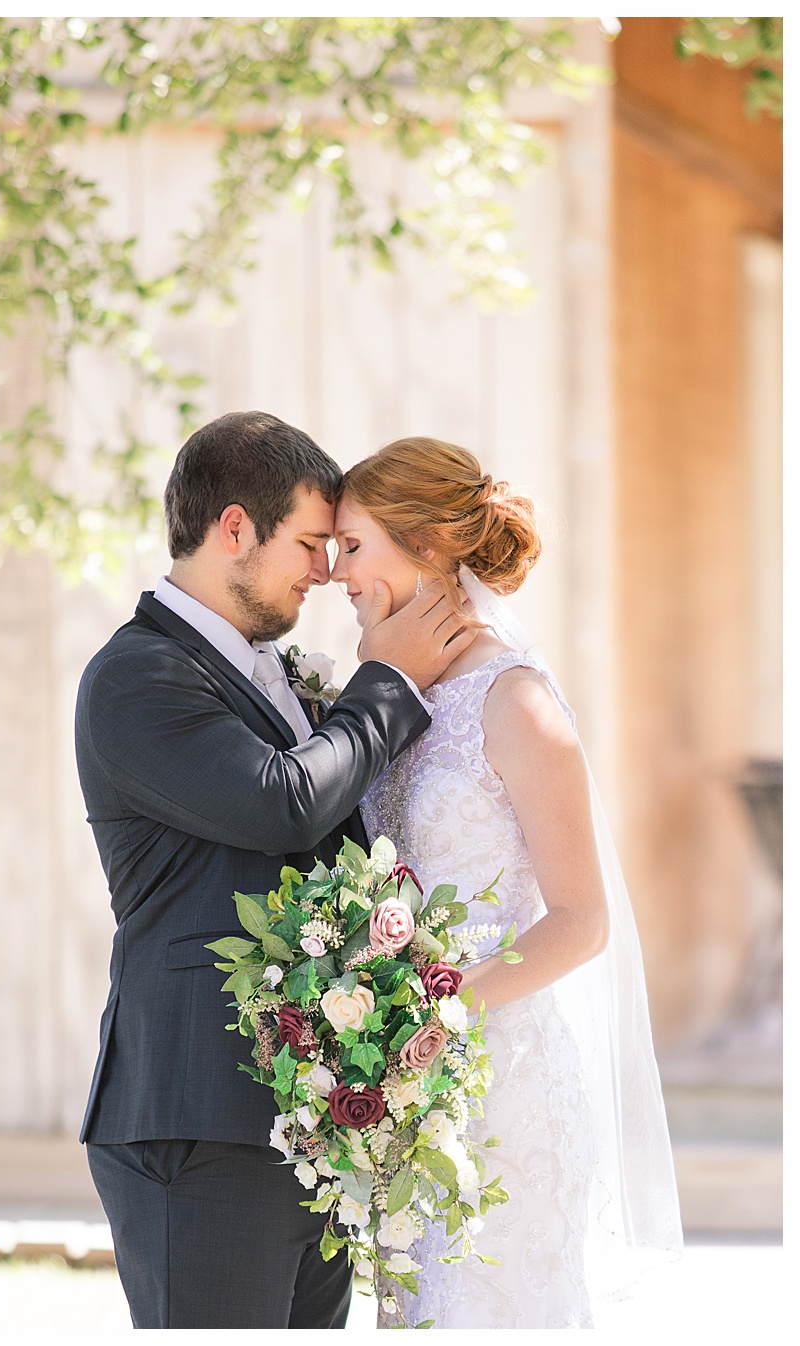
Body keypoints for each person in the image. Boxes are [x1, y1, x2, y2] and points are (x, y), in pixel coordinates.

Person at [72, 410, 475, 1327]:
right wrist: (392, 680)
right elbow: (281, 801)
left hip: (303, 1117)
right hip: (197, 1117)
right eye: (311, 542)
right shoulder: (136, 677)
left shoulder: (275, 674)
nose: (328, 571)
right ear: (235, 529)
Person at [334, 437, 682, 1327]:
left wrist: (441, 1014)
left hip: (502, 1078)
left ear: (430, 545)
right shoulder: (384, 693)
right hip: (402, 1089)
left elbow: (581, 919)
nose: (337, 572)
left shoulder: (515, 701)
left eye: (354, 545)